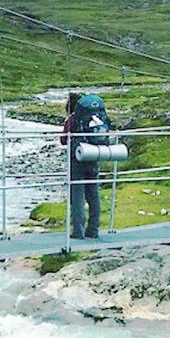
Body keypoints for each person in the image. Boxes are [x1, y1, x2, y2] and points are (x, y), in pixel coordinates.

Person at [60, 92, 110, 239]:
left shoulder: (72, 120)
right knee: (93, 194)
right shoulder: (96, 118)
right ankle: (93, 229)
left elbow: (63, 140)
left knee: (77, 196)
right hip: (94, 156)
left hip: (77, 159)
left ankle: (78, 231)